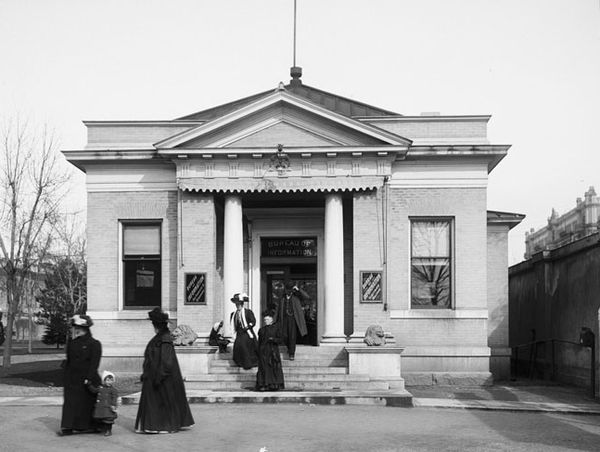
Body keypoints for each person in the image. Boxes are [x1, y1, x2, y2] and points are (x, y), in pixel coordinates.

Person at [135, 308, 194, 434]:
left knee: (161, 402)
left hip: (162, 378)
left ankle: (162, 425)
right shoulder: (160, 337)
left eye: (153, 324)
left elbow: (167, 361)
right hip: (155, 375)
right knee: (157, 402)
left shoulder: (165, 339)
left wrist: (159, 377)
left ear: (157, 325)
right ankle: (156, 425)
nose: (153, 326)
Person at [57, 314, 102, 436]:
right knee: (70, 403)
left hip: (87, 378)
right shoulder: (72, 343)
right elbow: (69, 360)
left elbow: (94, 364)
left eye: (76, 327)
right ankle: (68, 426)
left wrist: (89, 378)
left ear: (83, 328)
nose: (74, 329)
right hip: (72, 378)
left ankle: (90, 425)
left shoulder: (95, 344)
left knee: (87, 403)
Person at [276, 281, 308, 360]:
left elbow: (306, 297)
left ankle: (291, 354)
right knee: (284, 336)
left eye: (290, 290)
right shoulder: (282, 298)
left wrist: (298, 290)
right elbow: (278, 309)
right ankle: (289, 348)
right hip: (284, 319)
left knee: (292, 336)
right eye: (287, 290)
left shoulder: (296, 297)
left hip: (293, 319)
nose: (288, 292)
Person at [255, 309, 285, 392]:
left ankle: (273, 385)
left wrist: (273, 339)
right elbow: (259, 342)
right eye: (265, 320)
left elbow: (280, 340)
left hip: (273, 351)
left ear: (271, 320)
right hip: (263, 352)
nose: (266, 321)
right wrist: (258, 351)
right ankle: (263, 385)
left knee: (273, 368)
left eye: (267, 319)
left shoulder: (276, 329)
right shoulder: (261, 330)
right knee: (263, 368)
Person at [229, 293, 258, 369]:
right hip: (239, 333)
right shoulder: (233, 314)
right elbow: (233, 324)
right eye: (236, 304)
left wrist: (248, 326)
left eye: (238, 304)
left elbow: (253, 321)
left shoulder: (248, 312)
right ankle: (239, 362)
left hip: (247, 332)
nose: (237, 306)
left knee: (244, 345)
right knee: (237, 346)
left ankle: (248, 363)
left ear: (242, 304)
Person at [88, 371, 119, 436]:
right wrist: (89, 385)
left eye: (111, 380)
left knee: (108, 419)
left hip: (108, 407)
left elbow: (114, 398)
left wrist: (113, 405)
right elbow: (94, 390)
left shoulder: (113, 390)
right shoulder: (100, 388)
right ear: (104, 381)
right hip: (101, 407)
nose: (109, 382)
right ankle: (103, 429)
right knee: (101, 418)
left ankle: (108, 430)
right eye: (108, 380)